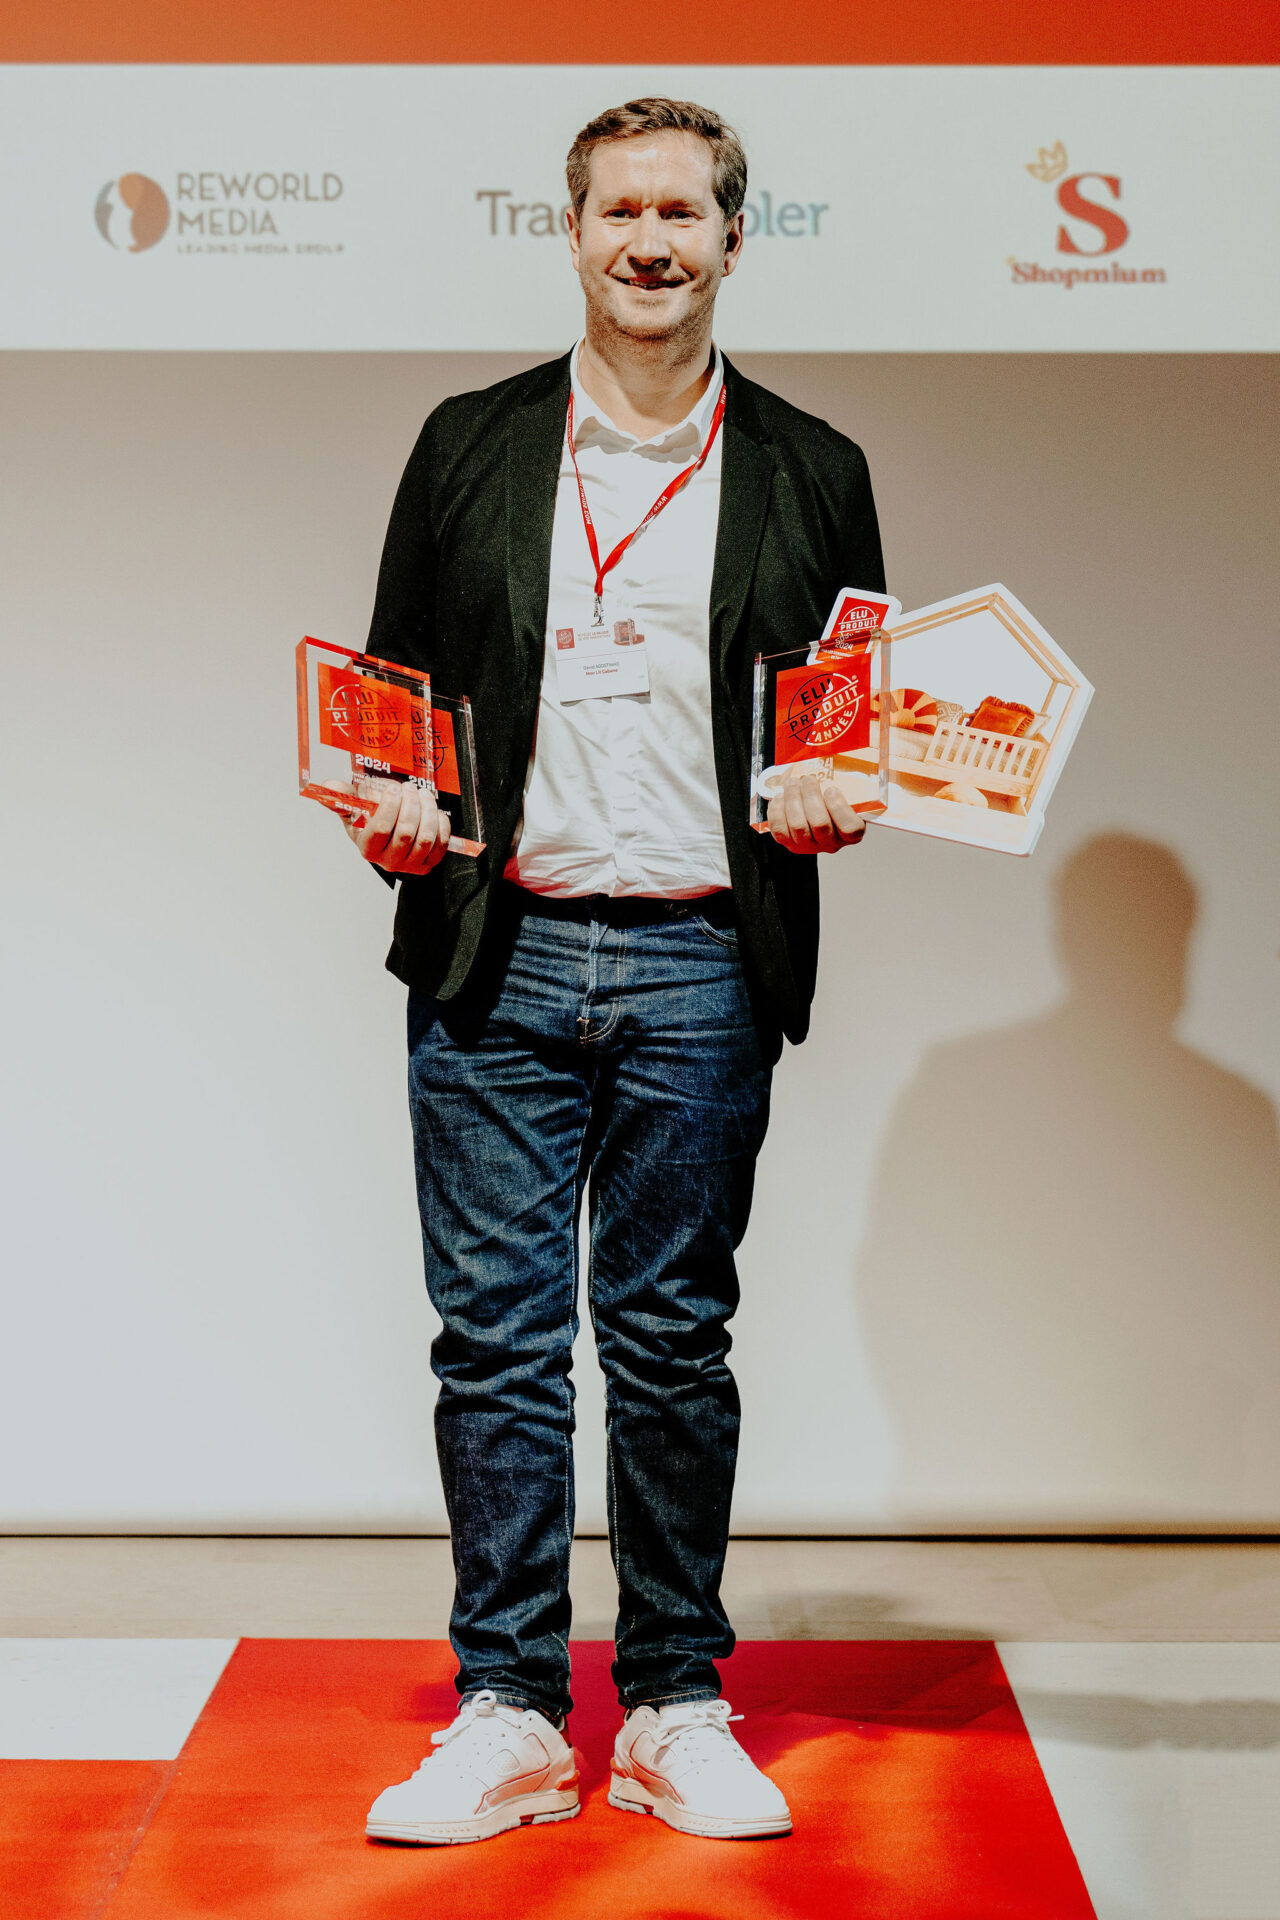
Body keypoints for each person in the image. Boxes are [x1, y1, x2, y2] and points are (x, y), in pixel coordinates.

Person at [351, 97, 885, 1846]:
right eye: (620, 211)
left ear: (734, 238)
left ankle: (671, 1703)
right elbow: (393, 697)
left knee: (670, 1346)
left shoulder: (815, 468)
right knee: (496, 1349)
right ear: (571, 232)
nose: (650, 241)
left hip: (702, 960)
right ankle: (508, 1710)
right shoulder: (469, 445)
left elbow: (847, 729)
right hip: (497, 956)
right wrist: (389, 808)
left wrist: (839, 802)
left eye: (683, 212)